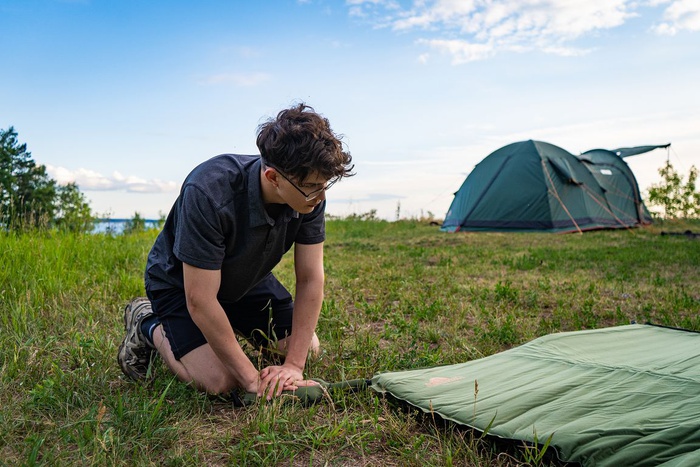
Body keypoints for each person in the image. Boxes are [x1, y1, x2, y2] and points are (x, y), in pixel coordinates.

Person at [117, 103, 354, 400]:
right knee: (222, 381)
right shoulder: (208, 191)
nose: (320, 198)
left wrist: (294, 365)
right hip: (182, 287)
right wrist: (252, 379)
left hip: (245, 282)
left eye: (325, 186)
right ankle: (147, 323)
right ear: (273, 178)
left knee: (309, 349)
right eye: (312, 188)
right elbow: (200, 299)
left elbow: (310, 279)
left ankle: (225, 322)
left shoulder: (309, 196)